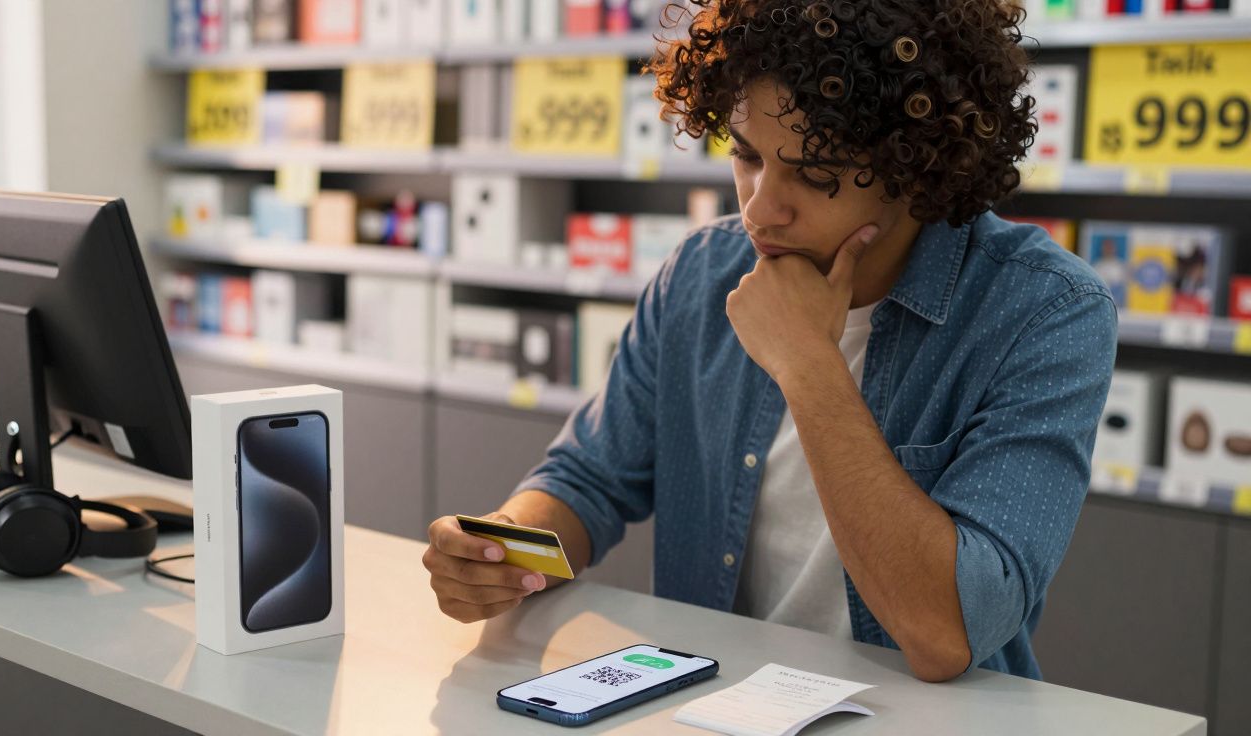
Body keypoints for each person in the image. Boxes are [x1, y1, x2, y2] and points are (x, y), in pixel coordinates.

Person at [422, 0, 1117, 682]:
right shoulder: (701, 272)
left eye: (815, 174)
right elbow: (587, 481)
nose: (759, 207)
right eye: (747, 155)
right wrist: (503, 551)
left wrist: (808, 365)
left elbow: (947, 634)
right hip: (714, 704)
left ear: (917, 168)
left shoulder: (1046, 312)